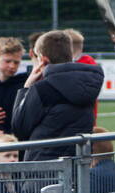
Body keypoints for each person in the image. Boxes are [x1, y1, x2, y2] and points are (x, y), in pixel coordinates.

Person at [10, 30, 103, 162]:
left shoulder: (42, 89)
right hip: (76, 165)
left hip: (44, 168)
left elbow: (19, 127)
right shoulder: (86, 84)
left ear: (43, 60)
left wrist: (26, 88)